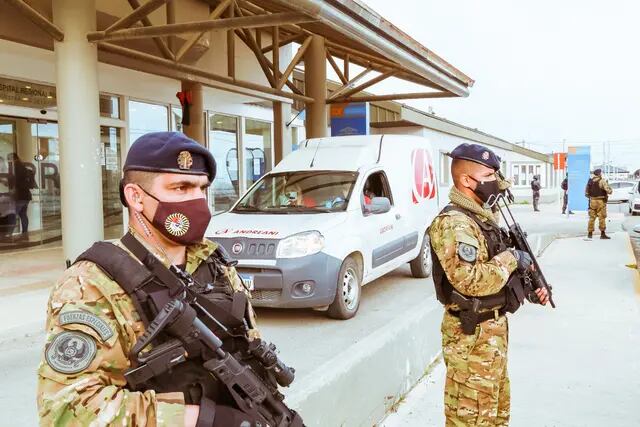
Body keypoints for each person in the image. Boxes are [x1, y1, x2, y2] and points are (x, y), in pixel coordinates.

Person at [37, 132, 290, 426]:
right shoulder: (91, 283)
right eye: (180, 187)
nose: (196, 199)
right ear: (136, 197)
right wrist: (202, 418)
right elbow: (66, 407)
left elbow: (247, 347)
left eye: (201, 188)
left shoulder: (217, 264)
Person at [428, 143, 549, 426]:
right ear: (466, 180)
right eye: (489, 176)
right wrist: (511, 258)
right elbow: (469, 280)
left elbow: (498, 272)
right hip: (471, 337)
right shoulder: (454, 223)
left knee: (495, 414)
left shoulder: (483, 218)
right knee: (470, 419)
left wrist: (529, 286)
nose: (496, 183)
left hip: (491, 335)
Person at [8, 153, 36, 239]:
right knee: (23, 214)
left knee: (13, 214)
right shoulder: (23, 167)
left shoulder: (15, 167)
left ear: (12, 159)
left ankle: (8, 234)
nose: (8, 161)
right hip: (26, 195)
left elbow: (15, 181)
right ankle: (24, 233)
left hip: (19, 195)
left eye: (9, 159)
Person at [585, 168, 613, 239]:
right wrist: (609, 187)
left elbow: (586, 193)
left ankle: (590, 234)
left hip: (592, 201)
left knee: (592, 217)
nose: (601, 174)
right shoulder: (602, 181)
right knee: (602, 217)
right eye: (601, 173)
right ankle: (602, 234)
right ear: (599, 174)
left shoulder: (590, 181)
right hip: (600, 201)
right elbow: (609, 191)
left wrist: (592, 197)